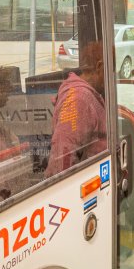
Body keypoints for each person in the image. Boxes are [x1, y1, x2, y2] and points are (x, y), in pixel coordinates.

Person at [46, 41, 107, 176]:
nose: (110, 79)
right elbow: (63, 153)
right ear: (99, 66)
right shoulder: (80, 99)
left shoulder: (90, 95)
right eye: (110, 72)